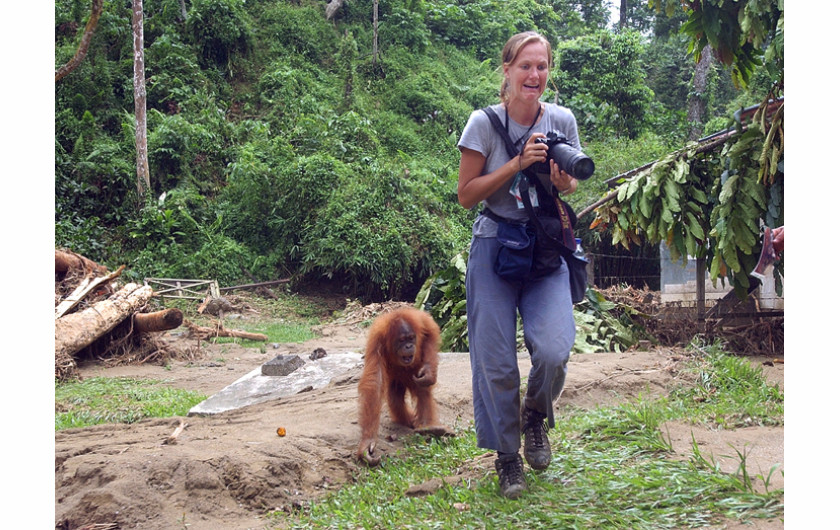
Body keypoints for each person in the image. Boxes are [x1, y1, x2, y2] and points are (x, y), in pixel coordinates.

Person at [456, 31, 581, 499]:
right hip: (494, 246)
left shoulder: (562, 119)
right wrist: (515, 163)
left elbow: (567, 186)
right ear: (506, 70)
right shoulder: (483, 124)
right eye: (525, 66)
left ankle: (534, 416)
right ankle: (507, 457)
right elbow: (467, 195)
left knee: (553, 349)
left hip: (544, 249)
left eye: (542, 67)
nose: (534, 75)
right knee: (496, 362)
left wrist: (562, 180)